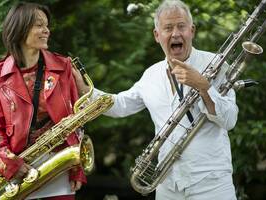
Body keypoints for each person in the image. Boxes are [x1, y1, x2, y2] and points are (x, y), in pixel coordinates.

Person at [74, 0, 238, 199]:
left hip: (211, 183)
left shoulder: (217, 64)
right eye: (168, 28)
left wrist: (203, 86)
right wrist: (86, 91)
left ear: (192, 30)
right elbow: (120, 105)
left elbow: (229, 120)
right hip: (167, 184)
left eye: (181, 26)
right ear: (156, 35)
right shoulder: (151, 75)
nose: (175, 33)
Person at [0, 2, 86, 200]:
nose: (46, 30)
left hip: (60, 164)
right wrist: (12, 164)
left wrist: (77, 166)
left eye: (47, 25)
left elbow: (78, 119)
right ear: (20, 28)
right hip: (21, 169)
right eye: (39, 25)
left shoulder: (63, 65)